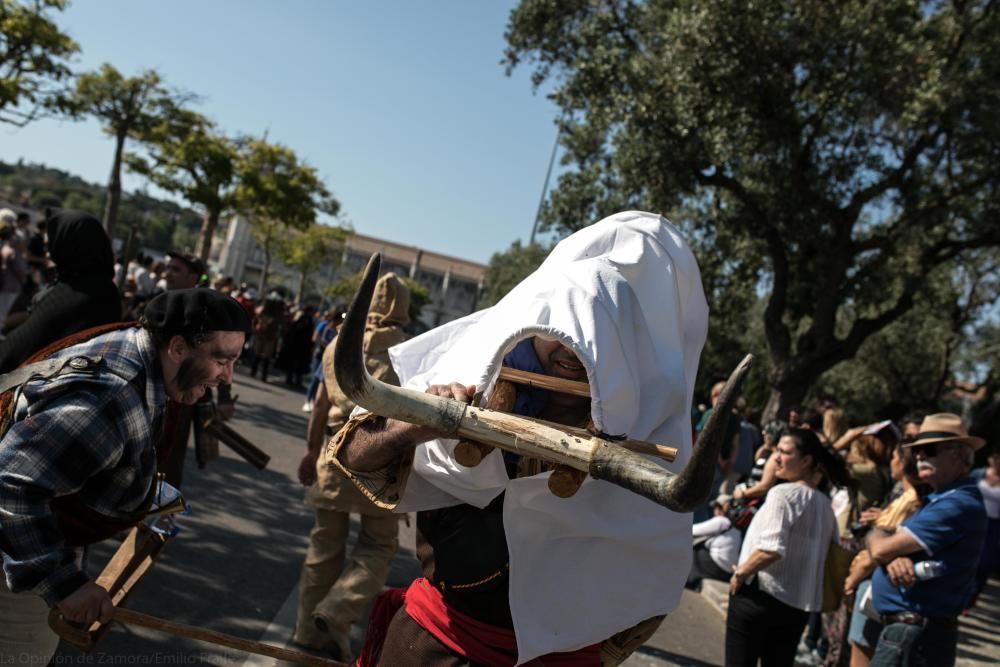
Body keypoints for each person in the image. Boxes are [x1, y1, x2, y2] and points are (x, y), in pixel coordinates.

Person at [326, 212, 713, 664]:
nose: (571, 350)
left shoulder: (647, 439)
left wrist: (574, 653)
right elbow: (352, 454)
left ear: (624, 349)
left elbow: (653, 575)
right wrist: (419, 423)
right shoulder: (475, 381)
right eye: (566, 331)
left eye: (598, 339)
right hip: (427, 646)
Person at [0, 288, 250, 662]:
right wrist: (64, 584)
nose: (227, 376)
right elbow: (12, 487)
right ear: (178, 347)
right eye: (221, 359)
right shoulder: (109, 398)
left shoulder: (143, 351)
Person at [293, 275, 409, 661]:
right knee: (378, 545)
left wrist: (312, 452)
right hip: (380, 462)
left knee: (323, 547)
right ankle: (338, 610)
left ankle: (307, 633)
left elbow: (321, 405)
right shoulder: (407, 350)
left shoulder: (336, 344)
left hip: (333, 451)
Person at [866, 413, 987, 667]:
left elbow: (880, 547)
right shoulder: (941, 498)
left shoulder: (958, 503)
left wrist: (887, 549)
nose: (919, 456)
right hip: (909, 633)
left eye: (929, 450)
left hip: (914, 636)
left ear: (958, 454)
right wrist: (893, 555)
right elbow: (882, 538)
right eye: (917, 450)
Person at [725, 427, 851, 667]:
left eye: (785, 452)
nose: (777, 458)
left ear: (806, 461)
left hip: (759, 597)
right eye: (777, 451)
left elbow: (772, 549)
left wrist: (740, 574)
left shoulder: (782, 494)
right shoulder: (825, 506)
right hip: (796, 609)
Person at [0, 209, 122, 373]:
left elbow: (21, 346)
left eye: (53, 246)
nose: (49, 253)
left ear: (72, 246)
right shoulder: (95, 288)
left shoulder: (78, 294)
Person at [843, 443, 925, 667]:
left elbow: (880, 551)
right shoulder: (908, 498)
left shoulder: (910, 500)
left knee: (861, 651)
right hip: (874, 583)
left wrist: (851, 580)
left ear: (903, 462)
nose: (890, 462)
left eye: (894, 457)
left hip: (870, 584)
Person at [688, 494, 743, 591]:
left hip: (714, 568)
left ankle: (690, 580)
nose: (714, 510)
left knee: (694, 549)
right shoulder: (737, 528)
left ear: (722, 508)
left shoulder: (721, 521)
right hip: (726, 574)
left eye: (716, 506)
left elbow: (692, 530)